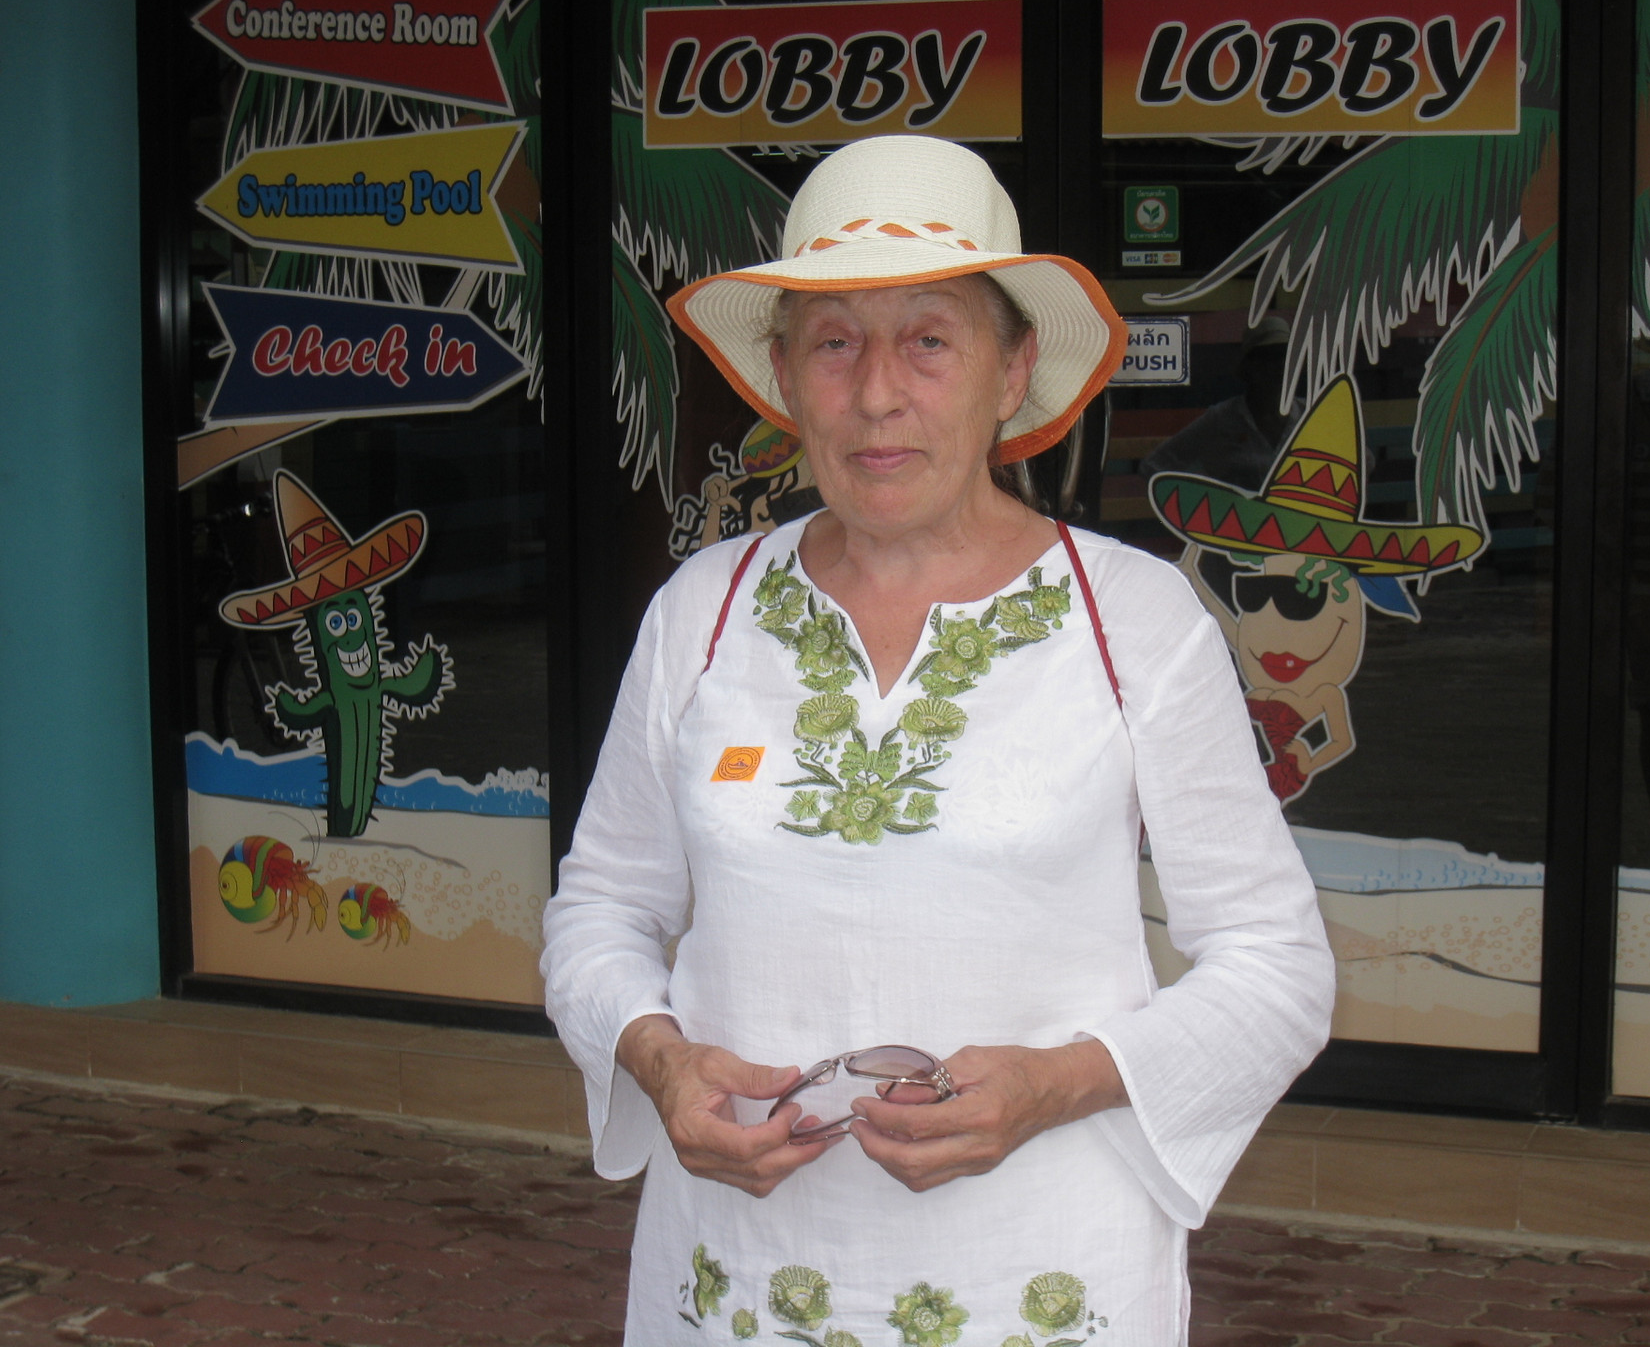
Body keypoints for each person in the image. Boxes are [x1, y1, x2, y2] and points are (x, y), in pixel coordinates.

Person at [540, 135, 1335, 1346]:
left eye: (928, 341)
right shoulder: (701, 612)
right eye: (834, 343)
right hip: (741, 1279)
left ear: (1009, 372)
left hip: (1042, 1281)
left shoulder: (1132, 621)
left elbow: (1277, 965)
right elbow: (601, 907)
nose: (876, 395)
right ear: (783, 375)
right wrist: (657, 1061)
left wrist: (1057, 1085)